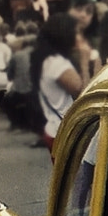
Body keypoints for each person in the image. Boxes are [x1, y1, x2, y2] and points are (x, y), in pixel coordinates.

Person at [33, 12, 84, 150]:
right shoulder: (57, 64)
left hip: (54, 128)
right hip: (65, 131)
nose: (79, 36)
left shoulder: (44, 60)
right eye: (76, 32)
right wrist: (85, 57)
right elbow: (83, 90)